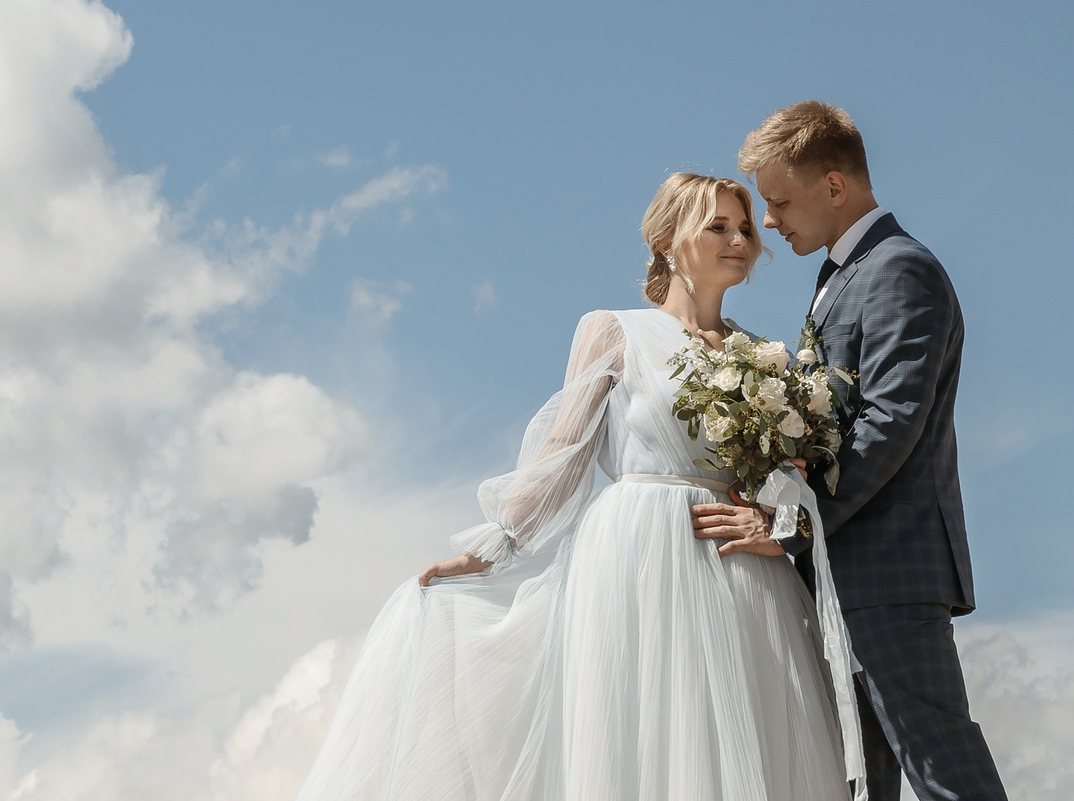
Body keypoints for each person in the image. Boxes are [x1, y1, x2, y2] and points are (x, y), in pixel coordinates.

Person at [293, 173, 866, 801]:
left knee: (750, 728)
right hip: (640, 553)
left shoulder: (763, 355)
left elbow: (791, 476)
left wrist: (777, 523)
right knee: (646, 729)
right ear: (668, 241)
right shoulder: (614, 330)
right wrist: (496, 544)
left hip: (741, 562)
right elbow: (565, 452)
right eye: (719, 226)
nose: (740, 240)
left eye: (746, 228)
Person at [705, 100, 1008, 801]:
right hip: (845, 574)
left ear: (835, 186)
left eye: (780, 201)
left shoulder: (899, 269)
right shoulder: (842, 275)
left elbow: (889, 421)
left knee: (943, 769)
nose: (769, 221)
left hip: (889, 572)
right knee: (858, 785)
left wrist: (790, 526)